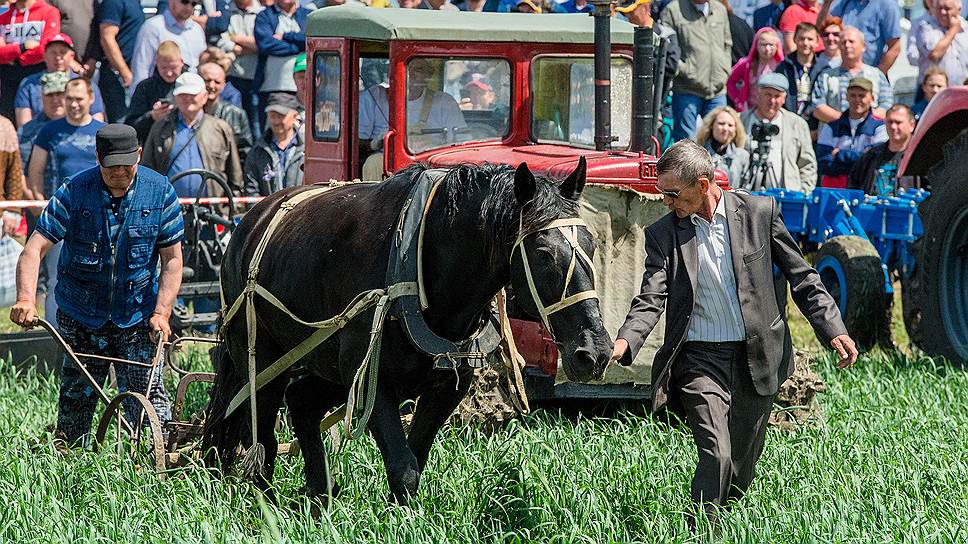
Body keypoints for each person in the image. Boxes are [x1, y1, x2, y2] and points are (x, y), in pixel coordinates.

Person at [610, 139, 856, 526]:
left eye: (672, 194)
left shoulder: (760, 213)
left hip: (756, 356)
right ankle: (698, 530)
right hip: (699, 360)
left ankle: (723, 518)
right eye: (662, 194)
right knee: (716, 454)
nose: (666, 202)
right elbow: (651, 297)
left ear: (704, 184)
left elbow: (803, 277)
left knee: (739, 470)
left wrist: (833, 329)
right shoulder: (664, 234)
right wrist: (625, 340)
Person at [10, 123, 184, 448]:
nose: (120, 171)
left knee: (148, 411)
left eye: (127, 164)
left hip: (137, 316)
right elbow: (34, 248)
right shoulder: (74, 191)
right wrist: (25, 299)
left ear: (139, 156)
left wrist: (162, 312)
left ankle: (150, 464)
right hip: (81, 316)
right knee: (76, 402)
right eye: (112, 164)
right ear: (97, 158)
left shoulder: (160, 192)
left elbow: (172, 260)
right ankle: (72, 461)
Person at [26, 77, 105, 322]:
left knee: (98, 277)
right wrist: (40, 205)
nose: (73, 104)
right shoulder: (50, 130)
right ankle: (54, 337)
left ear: (90, 99)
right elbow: (35, 170)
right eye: (69, 98)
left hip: (98, 216)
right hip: (61, 215)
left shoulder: (102, 131)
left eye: (79, 99)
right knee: (57, 276)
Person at [141, 72, 242, 198]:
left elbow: (235, 174)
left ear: (204, 96)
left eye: (192, 94)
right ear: (175, 97)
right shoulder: (160, 128)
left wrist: (232, 208)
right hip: (170, 210)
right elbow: (147, 170)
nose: (187, 98)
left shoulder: (221, 128)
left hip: (212, 211)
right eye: (182, 94)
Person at [661, 0, 733, 141]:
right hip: (687, 89)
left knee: (718, 143)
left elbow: (727, 43)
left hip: (717, 90)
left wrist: (724, 69)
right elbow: (667, 49)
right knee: (687, 144)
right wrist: (686, 70)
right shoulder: (673, 10)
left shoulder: (719, 9)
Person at [739, 72, 817, 191]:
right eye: (767, 95)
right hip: (745, 194)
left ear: (784, 99)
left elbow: (808, 164)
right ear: (758, 94)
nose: (772, 101)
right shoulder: (740, 121)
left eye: (777, 96)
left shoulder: (798, 124)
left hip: (785, 197)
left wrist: (802, 193)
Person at [14, 33, 105, 127]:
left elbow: (97, 121)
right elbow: (24, 125)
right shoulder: (28, 84)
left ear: (72, 56)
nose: (58, 57)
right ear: (44, 56)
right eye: (53, 52)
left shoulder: (85, 84)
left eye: (63, 52)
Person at [810, 27, 892, 125]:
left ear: (863, 46)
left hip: (870, 136)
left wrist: (864, 122)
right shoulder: (825, 76)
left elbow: (887, 105)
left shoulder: (877, 75)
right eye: (843, 42)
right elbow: (817, 106)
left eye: (851, 41)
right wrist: (845, 121)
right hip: (834, 136)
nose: (847, 45)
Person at [816, 77, 888, 188]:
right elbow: (823, 164)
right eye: (853, 95)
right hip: (835, 189)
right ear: (846, 97)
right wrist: (861, 157)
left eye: (862, 96)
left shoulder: (880, 127)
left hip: (865, 187)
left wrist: (840, 154)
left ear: (872, 98)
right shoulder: (830, 127)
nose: (857, 100)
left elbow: (875, 162)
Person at [253, 0, 311, 131]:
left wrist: (286, 35)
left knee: (303, 131)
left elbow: (313, 39)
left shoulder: (309, 15)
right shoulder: (264, 16)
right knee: (275, 132)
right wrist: (299, 46)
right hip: (274, 88)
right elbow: (266, 44)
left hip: (305, 88)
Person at [0, 0, 62, 121]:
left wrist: (16, 59)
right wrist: (21, 47)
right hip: (8, 78)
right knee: (8, 122)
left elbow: (47, 48)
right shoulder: (3, 18)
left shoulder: (49, 12)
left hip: (38, 75)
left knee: (39, 121)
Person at [129, 0, 207, 92]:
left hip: (193, 94)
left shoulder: (196, 29)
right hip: (162, 95)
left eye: (193, 4)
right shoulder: (153, 27)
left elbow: (201, 64)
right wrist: (140, 100)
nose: (189, 7)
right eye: (185, 2)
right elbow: (142, 68)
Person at [848, 104, 916, 195]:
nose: (893, 127)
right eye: (889, 122)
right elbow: (853, 186)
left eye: (898, 122)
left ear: (912, 125)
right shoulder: (870, 156)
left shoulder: (920, 157)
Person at [125, 41, 185, 145]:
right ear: (156, 63)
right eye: (164, 68)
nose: (169, 73)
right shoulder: (145, 87)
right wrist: (151, 116)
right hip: (154, 145)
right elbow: (130, 128)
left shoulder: (190, 84)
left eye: (173, 67)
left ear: (181, 62)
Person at [243, 92, 303, 196]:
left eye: (280, 116)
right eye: (272, 116)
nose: (276, 121)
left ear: (294, 116)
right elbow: (251, 189)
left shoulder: (306, 150)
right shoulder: (258, 151)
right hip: (268, 211)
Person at [96, 0, 146, 123]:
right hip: (118, 77)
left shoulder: (135, 3)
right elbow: (107, 37)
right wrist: (125, 73)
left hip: (131, 76)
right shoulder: (113, 2)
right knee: (122, 132)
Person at [217, 0, 263, 133]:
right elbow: (219, 40)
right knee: (230, 122)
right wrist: (246, 47)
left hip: (256, 79)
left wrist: (234, 38)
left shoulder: (261, 13)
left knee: (255, 124)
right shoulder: (224, 12)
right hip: (231, 77)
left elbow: (263, 43)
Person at [822, 0, 901, 72]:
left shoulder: (886, 5)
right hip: (842, 74)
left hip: (869, 77)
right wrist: (826, 4)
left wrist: (877, 76)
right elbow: (823, 28)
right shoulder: (843, 3)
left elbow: (895, 47)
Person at [405, 58, 466, 151]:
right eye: (406, 68)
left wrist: (433, 146)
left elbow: (462, 143)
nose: (410, 74)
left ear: (428, 76)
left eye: (418, 70)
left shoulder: (444, 102)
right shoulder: (378, 96)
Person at [908, 0, 968, 91]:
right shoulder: (926, 27)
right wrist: (953, 29)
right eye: (939, 8)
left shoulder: (966, 28)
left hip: (961, 90)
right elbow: (935, 54)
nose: (942, 12)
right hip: (932, 92)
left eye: (947, 9)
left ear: (959, 9)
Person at [199, 61, 252, 161]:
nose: (211, 85)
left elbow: (244, 151)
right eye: (207, 80)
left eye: (217, 82)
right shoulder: (186, 112)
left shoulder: (236, 113)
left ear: (224, 85)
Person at [17, 70, 65, 176]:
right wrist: (33, 193)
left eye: (59, 94)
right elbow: (21, 173)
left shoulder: (83, 127)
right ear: (42, 97)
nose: (55, 100)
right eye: (50, 94)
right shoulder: (27, 131)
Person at [727, 27, 784, 112]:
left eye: (771, 45)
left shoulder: (782, 66)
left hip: (774, 111)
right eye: (763, 44)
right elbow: (729, 81)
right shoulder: (746, 64)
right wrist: (738, 99)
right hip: (750, 111)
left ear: (777, 46)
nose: (767, 49)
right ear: (756, 45)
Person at [775, 22, 824, 115]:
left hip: (815, 124)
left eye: (810, 39)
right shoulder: (783, 67)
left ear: (817, 42)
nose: (805, 43)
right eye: (802, 38)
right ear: (795, 39)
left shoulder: (823, 68)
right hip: (789, 120)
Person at [695, 105, 750, 186]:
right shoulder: (697, 154)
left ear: (735, 129)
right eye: (721, 123)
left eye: (730, 125)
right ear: (711, 126)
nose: (725, 128)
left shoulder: (743, 156)